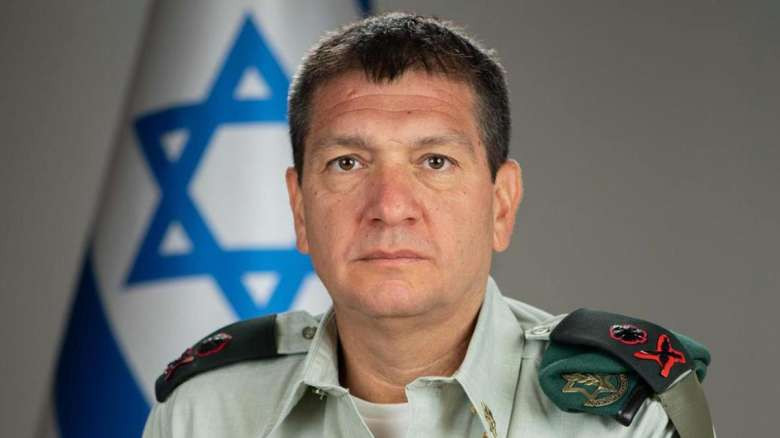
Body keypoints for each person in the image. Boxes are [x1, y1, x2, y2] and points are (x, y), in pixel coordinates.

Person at [143, 13, 713, 438]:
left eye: (435, 162)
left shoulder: (620, 419)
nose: (391, 206)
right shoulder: (203, 413)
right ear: (299, 209)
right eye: (348, 163)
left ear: (501, 204)